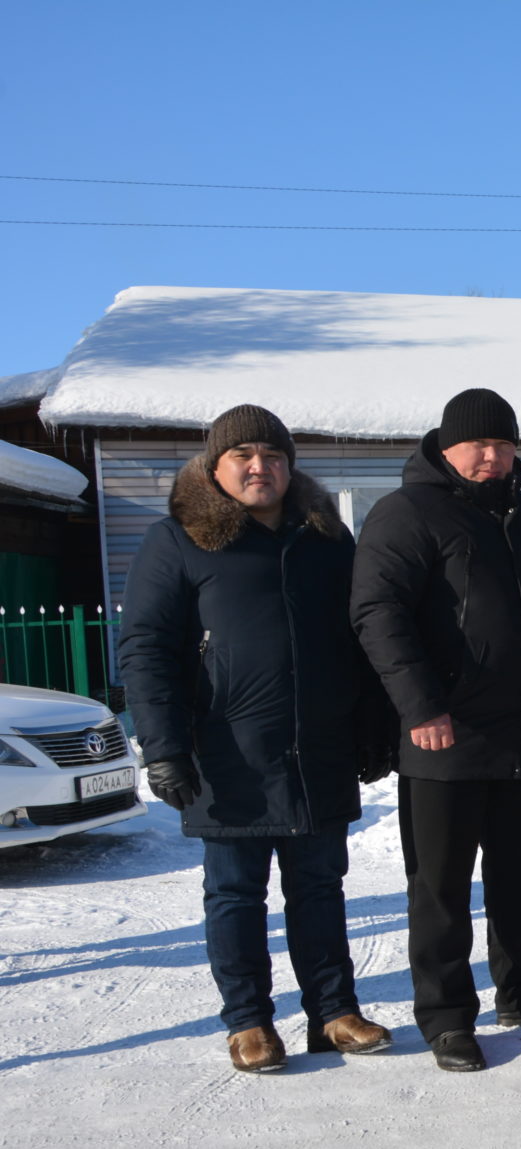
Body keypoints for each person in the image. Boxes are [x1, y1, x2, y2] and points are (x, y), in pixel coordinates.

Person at [120, 405, 395, 1073]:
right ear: (215, 467)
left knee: (321, 889)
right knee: (236, 894)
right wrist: (162, 746)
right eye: (242, 454)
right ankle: (248, 1020)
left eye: (271, 455)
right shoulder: (180, 539)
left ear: (289, 466)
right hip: (226, 755)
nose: (258, 466)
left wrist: (373, 727)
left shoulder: (328, 540)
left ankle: (334, 1010)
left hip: (317, 750)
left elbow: (361, 641)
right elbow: (146, 648)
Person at [351, 388, 521, 1073]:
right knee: (441, 886)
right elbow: (377, 612)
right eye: (476, 445)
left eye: (502, 444)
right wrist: (421, 706)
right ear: (446, 446)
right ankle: (448, 1015)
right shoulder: (407, 512)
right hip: (444, 735)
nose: (490, 457)